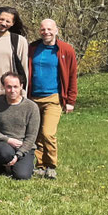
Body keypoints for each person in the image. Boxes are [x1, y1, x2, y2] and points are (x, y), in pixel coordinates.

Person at [28, 19, 78, 180]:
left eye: (49, 29)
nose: (46, 32)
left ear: (56, 30)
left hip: (53, 98)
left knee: (48, 133)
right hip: (33, 97)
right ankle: (40, 165)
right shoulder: (33, 48)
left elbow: (72, 76)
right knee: (36, 134)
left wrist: (70, 100)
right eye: (43, 29)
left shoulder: (65, 50)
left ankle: (51, 166)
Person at [0, 72, 40, 180]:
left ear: (21, 86)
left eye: (16, 87)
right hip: (3, 144)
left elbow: (31, 136)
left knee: (22, 176)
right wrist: (7, 139)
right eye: (9, 87)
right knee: (4, 153)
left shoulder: (31, 107)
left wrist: (19, 155)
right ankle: (2, 165)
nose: (12, 90)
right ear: (3, 87)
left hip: (24, 146)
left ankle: (14, 165)